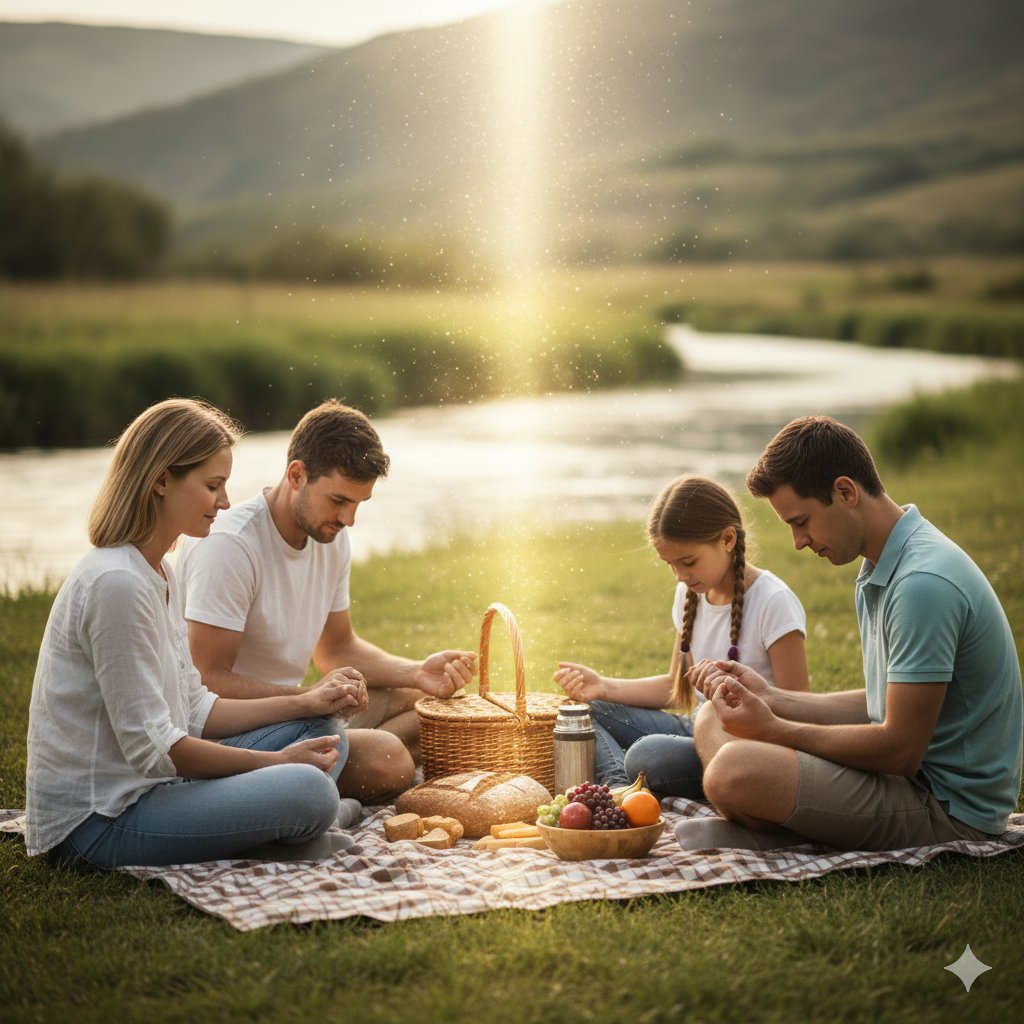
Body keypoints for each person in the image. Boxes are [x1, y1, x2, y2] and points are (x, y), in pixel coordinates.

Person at [25, 398, 360, 869]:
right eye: (212, 486)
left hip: (157, 788)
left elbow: (193, 706)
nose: (224, 502)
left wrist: (306, 702)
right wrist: (276, 765)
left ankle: (276, 832)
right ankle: (290, 828)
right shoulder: (115, 583)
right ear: (162, 479)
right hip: (99, 822)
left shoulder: (160, 569)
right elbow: (154, 747)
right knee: (307, 789)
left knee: (323, 734)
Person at [677, 415, 1023, 852]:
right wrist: (771, 697)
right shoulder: (880, 567)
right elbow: (882, 702)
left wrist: (775, 728)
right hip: (902, 779)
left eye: (801, 521)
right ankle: (790, 822)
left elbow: (900, 749)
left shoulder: (923, 583)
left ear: (845, 492)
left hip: (947, 807)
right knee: (712, 718)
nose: (799, 542)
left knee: (734, 770)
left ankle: (785, 829)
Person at [176, 399, 477, 807]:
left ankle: (331, 775)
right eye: (339, 501)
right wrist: (307, 699)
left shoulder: (329, 537)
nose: (349, 519)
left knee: (437, 709)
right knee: (388, 760)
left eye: (358, 504)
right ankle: (303, 789)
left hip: (297, 709)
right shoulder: (231, 545)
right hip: (228, 733)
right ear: (297, 474)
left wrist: (417, 672)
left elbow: (336, 648)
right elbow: (206, 679)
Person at [553, 475, 808, 797]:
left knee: (648, 756)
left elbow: (799, 707)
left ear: (728, 539)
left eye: (688, 562)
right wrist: (602, 686)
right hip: (696, 728)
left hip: (744, 747)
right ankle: (620, 794)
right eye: (670, 564)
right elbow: (677, 688)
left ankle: (624, 791)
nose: (680, 576)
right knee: (583, 711)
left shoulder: (773, 602)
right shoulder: (689, 594)